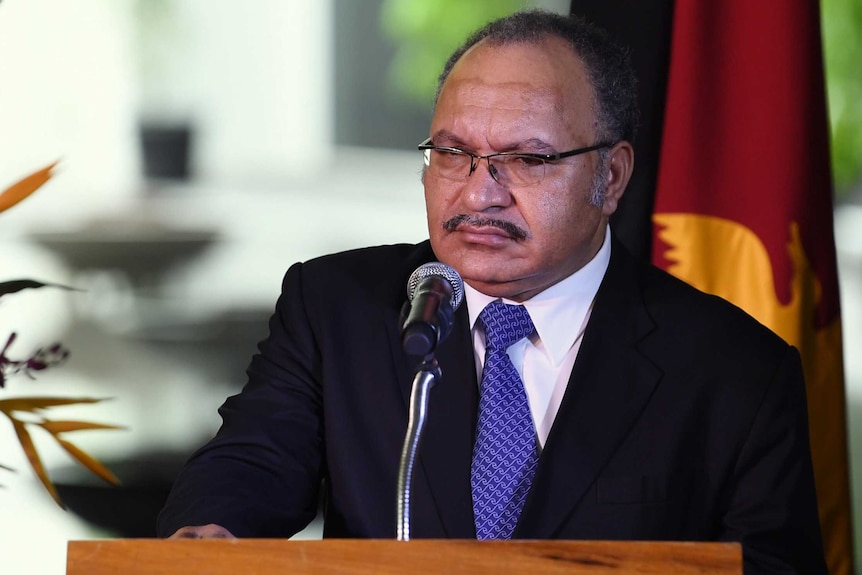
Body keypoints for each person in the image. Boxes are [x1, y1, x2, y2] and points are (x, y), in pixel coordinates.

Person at [157, 10, 827, 574]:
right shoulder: (336, 309)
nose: (478, 192)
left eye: (528, 159)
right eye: (451, 154)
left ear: (612, 176)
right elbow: (248, 464)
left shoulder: (737, 372)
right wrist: (213, 534)